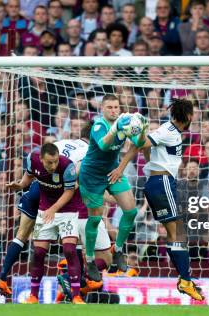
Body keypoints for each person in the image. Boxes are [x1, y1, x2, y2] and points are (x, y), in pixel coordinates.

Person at [138, 98, 204, 300]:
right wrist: (140, 132)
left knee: (172, 233)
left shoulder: (172, 131)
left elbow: (147, 146)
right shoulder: (168, 130)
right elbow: (143, 143)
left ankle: (185, 279)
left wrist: (150, 160)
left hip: (158, 182)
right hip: (162, 182)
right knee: (178, 232)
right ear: (190, 116)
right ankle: (185, 280)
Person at [79, 95, 146, 282]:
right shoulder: (99, 126)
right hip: (91, 176)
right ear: (102, 109)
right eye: (109, 107)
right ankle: (90, 259)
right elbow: (103, 145)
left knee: (131, 211)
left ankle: (117, 250)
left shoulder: (124, 124)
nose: (113, 110)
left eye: (116, 107)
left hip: (113, 172)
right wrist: (116, 128)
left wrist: (142, 129)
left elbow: (138, 145)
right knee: (94, 219)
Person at [10, 143, 85, 304]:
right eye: (50, 162)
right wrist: (20, 185)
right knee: (38, 253)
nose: (53, 165)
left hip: (67, 211)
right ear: (41, 159)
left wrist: (54, 209)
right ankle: (33, 296)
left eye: (55, 161)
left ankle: (77, 295)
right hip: (45, 211)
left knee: (70, 251)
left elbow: (70, 191)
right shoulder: (32, 159)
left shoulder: (67, 166)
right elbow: (28, 178)